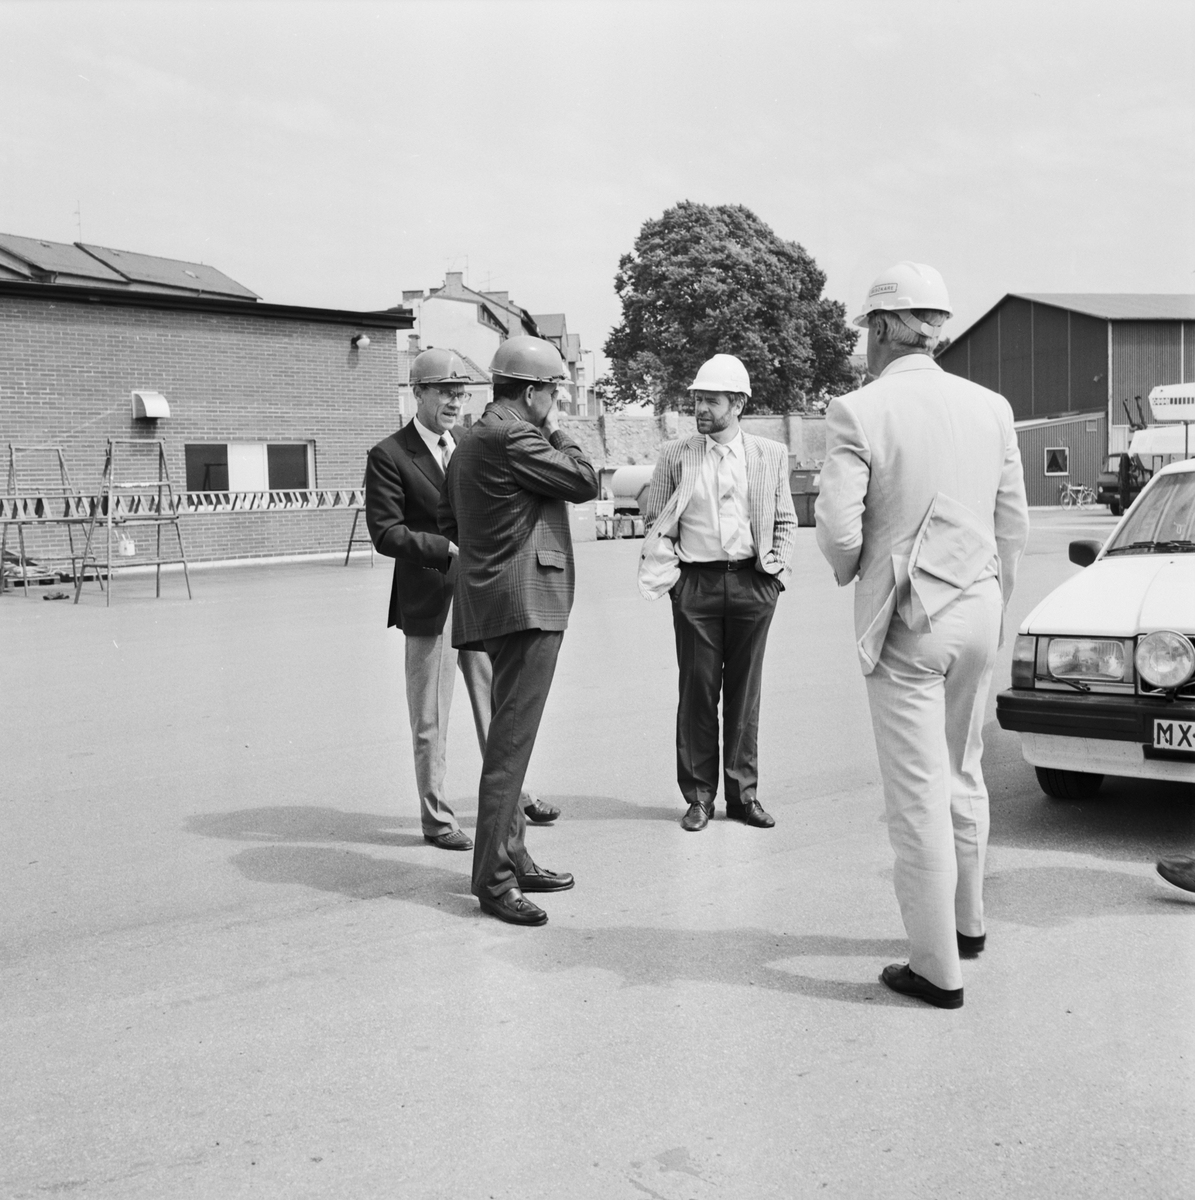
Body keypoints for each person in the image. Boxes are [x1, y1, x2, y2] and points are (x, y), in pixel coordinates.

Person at [815, 262, 1030, 1010]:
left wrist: (860, 568)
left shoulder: (857, 410)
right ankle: (968, 922)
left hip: (907, 614)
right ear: (933, 327)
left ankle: (936, 967)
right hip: (976, 606)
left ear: (879, 328)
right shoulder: (990, 406)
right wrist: (993, 602)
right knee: (963, 767)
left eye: (863, 334)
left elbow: (839, 536)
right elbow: (1015, 525)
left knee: (915, 794)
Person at [365, 348, 557, 855]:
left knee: (500, 704)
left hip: (484, 594)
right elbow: (386, 532)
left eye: (461, 392)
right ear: (418, 393)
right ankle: (436, 816)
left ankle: (516, 798)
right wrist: (446, 550)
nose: (455, 401)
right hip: (431, 601)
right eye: (445, 391)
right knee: (430, 716)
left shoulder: (471, 443)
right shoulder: (389, 455)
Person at [438, 336, 598, 926]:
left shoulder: (470, 442)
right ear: (531, 392)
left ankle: (515, 854)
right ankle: (495, 881)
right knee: (509, 748)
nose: (556, 401)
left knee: (509, 741)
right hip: (527, 605)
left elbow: (446, 518)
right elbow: (584, 478)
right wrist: (557, 432)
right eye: (553, 391)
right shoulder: (516, 435)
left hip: (492, 602)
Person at [638, 353, 797, 832]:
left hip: (753, 582)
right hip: (696, 586)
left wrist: (774, 575)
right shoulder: (675, 454)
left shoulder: (770, 455)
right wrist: (676, 584)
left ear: (739, 404)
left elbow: (786, 519)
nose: (700, 408)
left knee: (745, 696)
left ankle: (743, 797)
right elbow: (656, 524)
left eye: (710, 400)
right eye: (696, 399)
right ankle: (699, 798)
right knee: (698, 693)